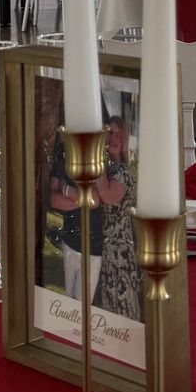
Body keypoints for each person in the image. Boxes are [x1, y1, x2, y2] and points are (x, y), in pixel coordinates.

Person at [91, 117, 142, 323]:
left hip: (120, 251)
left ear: (124, 140)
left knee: (122, 306)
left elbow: (107, 195)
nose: (112, 138)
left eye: (117, 134)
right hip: (106, 248)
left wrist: (95, 158)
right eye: (108, 133)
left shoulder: (123, 172)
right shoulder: (110, 169)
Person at [47, 131, 104, 300]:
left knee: (82, 304)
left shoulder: (96, 164)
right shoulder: (62, 163)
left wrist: (66, 190)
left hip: (92, 249)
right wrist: (84, 199)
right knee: (66, 303)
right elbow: (53, 199)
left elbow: (95, 200)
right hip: (69, 244)